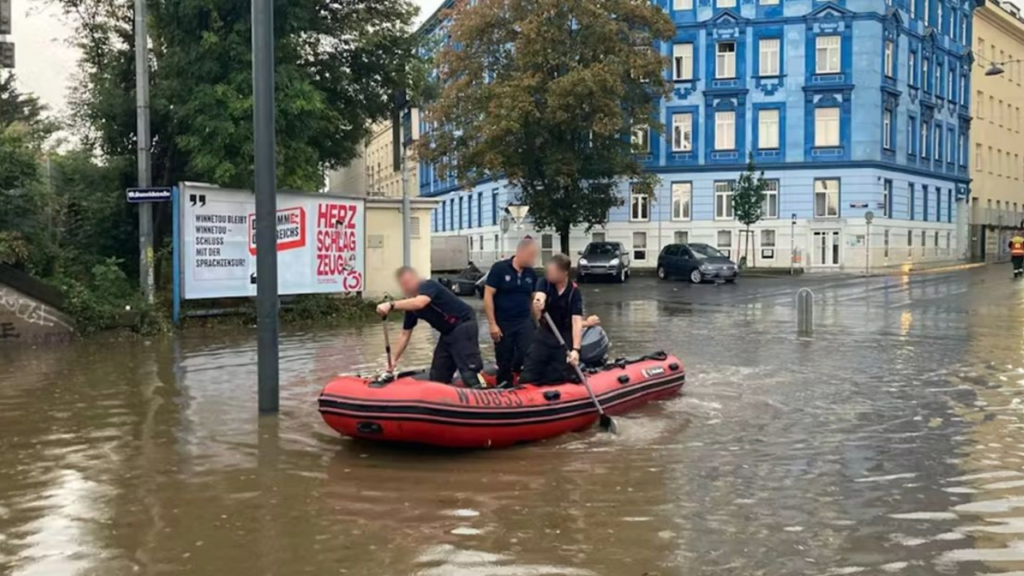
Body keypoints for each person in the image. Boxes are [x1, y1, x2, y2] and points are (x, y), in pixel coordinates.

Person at [375, 267, 485, 386]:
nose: (408, 286)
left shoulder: (429, 286)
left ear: (416, 279)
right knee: (438, 377)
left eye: (409, 281)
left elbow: (420, 302)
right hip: (447, 333)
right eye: (404, 284)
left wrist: (391, 305)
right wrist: (393, 361)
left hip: (463, 325)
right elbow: (404, 335)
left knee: (469, 372)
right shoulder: (410, 306)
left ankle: (480, 391)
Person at [519, 253, 584, 386]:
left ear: (564, 273)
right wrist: (539, 302)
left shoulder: (574, 292)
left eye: (552, 272)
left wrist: (576, 350)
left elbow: (576, 321)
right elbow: (540, 295)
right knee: (530, 371)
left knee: (556, 376)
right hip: (545, 333)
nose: (549, 275)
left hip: (563, 336)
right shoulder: (544, 282)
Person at [483, 238, 539, 387]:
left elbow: (534, 299)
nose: (533, 259)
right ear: (520, 252)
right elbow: (488, 296)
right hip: (503, 322)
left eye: (534, 256)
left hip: (524, 321)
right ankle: (504, 385)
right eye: (531, 255)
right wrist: (492, 324)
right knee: (504, 359)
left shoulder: (531, 274)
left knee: (527, 353)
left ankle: (526, 382)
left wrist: (539, 321)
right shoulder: (500, 269)